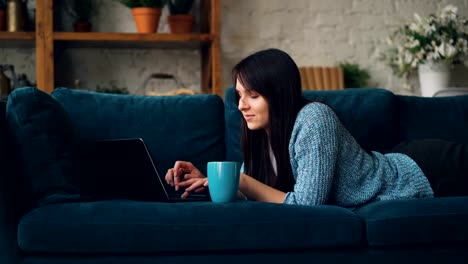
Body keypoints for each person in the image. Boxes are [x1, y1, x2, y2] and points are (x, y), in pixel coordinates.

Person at [164, 48, 468, 207]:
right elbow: (256, 190)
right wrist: (209, 181)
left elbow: (308, 204)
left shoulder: (313, 119)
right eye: (240, 96)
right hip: (402, 160)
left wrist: (242, 182)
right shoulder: (260, 135)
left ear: (279, 95)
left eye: (253, 96)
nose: (241, 105)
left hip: (424, 169)